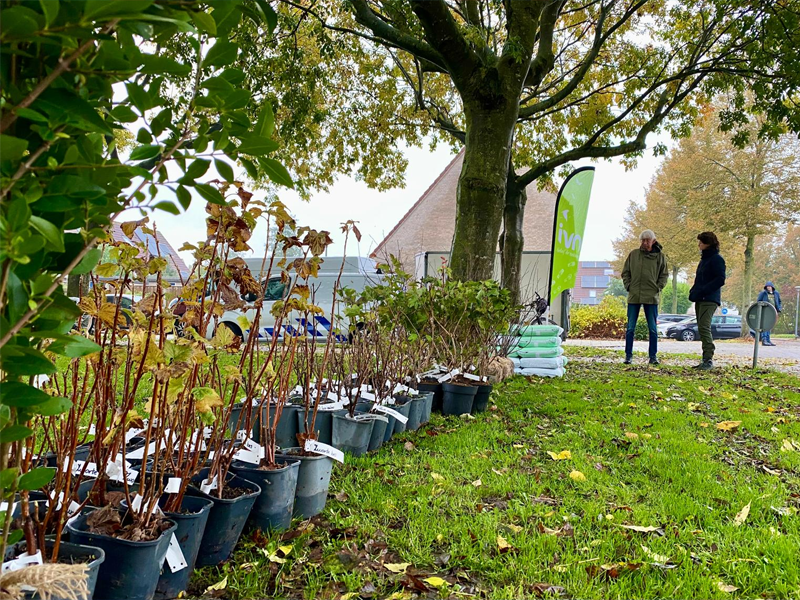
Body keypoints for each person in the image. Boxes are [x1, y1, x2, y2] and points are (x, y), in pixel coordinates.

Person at [621, 230, 668, 365]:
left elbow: (664, 275)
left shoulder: (660, 257)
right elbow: (625, 272)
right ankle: (628, 355)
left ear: (653, 241)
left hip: (651, 297)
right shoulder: (633, 255)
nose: (644, 243)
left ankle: (653, 356)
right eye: (642, 240)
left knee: (653, 329)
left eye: (647, 240)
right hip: (634, 295)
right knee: (630, 328)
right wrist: (628, 286)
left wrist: (658, 287)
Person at [688, 231, 726, 370]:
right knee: (702, 327)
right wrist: (694, 291)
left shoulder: (716, 259)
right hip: (701, 298)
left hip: (709, 299)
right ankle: (705, 359)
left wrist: (704, 290)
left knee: (704, 327)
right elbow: (700, 279)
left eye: (701, 242)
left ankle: (708, 359)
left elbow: (720, 279)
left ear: (708, 243)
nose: (699, 245)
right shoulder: (704, 260)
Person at [756, 282, 782, 346]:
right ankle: (764, 340)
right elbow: (759, 301)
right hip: (765, 312)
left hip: (773, 312)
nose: (768, 288)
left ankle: (768, 340)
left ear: (772, 287)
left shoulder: (776, 293)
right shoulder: (763, 293)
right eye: (767, 286)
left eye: (769, 286)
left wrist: (779, 308)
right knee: (765, 326)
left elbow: (779, 301)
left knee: (770, 326)